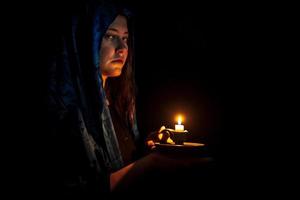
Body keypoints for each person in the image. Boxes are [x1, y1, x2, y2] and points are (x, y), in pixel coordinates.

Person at [45, 0, 150, 197]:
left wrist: (150, 149)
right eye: (110, 36)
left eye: (125, 39)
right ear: (86, 41)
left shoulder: (121, 103)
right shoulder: (68, 114)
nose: (122, 48)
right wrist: (150, 165)